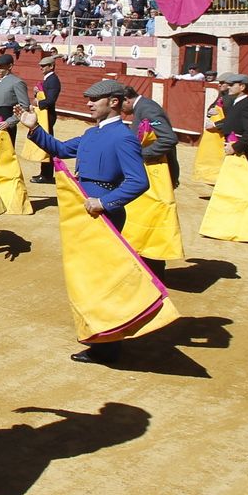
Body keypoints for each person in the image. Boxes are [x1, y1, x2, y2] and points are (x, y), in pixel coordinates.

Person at [19, 79, 150, 364]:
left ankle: (109, 344)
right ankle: (102, 337)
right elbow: (60, 149)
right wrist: (33, 127)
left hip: (105, 215)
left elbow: (139, 181)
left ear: (113, 102)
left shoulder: (123, 137)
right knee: (90, 277)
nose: (88, 103)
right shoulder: (92, 134)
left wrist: (105, 202)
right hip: (86, 216)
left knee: (103, 279)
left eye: (94, 100)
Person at [121, 86, 180, 189]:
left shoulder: (147, 109)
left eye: (120, 106)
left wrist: (140, 155)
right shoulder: (142, 106)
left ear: (126, 99)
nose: (121, 110)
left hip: (158, 172)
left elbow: (168, 139)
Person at [212, 73, 248, 162]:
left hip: (240, 153)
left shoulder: (247, 106)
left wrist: (235, 147)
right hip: (231, 148)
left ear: (242, 87)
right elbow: (230, 121)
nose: (229, 87)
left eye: (232, 85)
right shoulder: (236, 103)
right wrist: (214, 124)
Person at [0, 54, 30, 143]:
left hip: (6, 122)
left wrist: (9, 122)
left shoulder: (17, 82)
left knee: (6, 152)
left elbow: (25, 106)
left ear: (10, 66)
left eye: (0, 66)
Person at [30, 55, 61, 184]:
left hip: (47, 115)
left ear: (51, 66)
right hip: (45, 115)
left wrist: (38, 103)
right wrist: (37, 91)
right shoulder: (48, 79)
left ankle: (47, 175)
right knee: (45, 143)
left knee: (46, 144)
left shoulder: (53, 80)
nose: (41, 68)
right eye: (40, 66)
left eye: (44, 66)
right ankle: (45, 173)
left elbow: (51, 100)